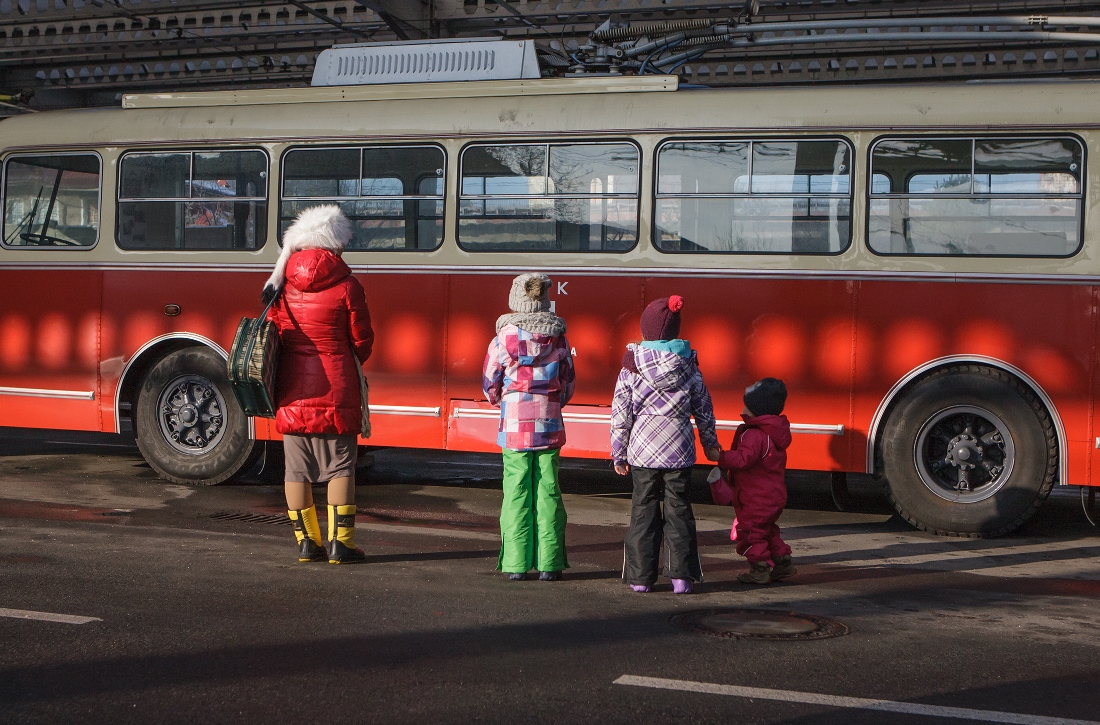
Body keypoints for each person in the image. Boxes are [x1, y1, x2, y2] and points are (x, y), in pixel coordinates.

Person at [263, 204, 374, 565]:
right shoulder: (347, 285)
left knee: (296, 469)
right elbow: (362, 341)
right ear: (335, 245)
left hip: (293, 389)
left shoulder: (281, 285)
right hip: (337, 386)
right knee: (341, 466)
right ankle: (340, 545)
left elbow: (277, 333)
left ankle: (306, 543)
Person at [611, 296, 720, 594]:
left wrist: (619, 453)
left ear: (645, 330)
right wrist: (711, 444)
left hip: (643, 452)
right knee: (679, 511)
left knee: (643, 511)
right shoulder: (689, 365)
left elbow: (621, 414)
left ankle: (640, 579)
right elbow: (704, 409)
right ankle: (681, 578)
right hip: (680, 452)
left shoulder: (631, 367)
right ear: (675, 331)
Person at [483, 273, 575, 581]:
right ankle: (550, 565)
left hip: (514, 427)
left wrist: (503, 401)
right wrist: (551, 405)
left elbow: (489, 384)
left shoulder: (502, 339)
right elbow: (568, 385)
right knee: (548, 491)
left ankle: (516, 565)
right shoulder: (559, 339)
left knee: (516, 493)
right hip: (549, 424)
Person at [718, 378, 795, 584]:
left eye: (747, 405)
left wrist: (720, 457)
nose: (743, 408)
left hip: (755, 497)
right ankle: (783, 562)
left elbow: (743, 459)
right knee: (768, 530)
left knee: (751, 532)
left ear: (756, 409)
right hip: (774, 495)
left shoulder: (754, 434)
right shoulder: (776, 433)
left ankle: (759, 568)